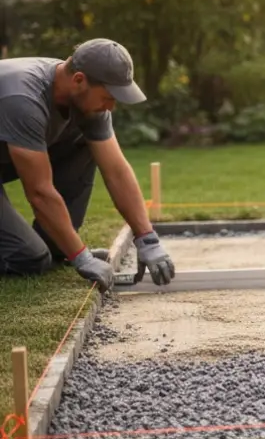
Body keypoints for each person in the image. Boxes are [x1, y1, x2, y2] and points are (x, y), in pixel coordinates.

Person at [0, 39, 176, 292]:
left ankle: (60, 246)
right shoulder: (23, 100)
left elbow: (116, 170)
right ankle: (58, 250)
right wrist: (81, 256)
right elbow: (39, 193)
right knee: (29, 258)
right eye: (107, 96)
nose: (111, 106)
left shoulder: (87, 104)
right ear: (79, 80)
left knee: (84, 142)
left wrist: (147, 238)